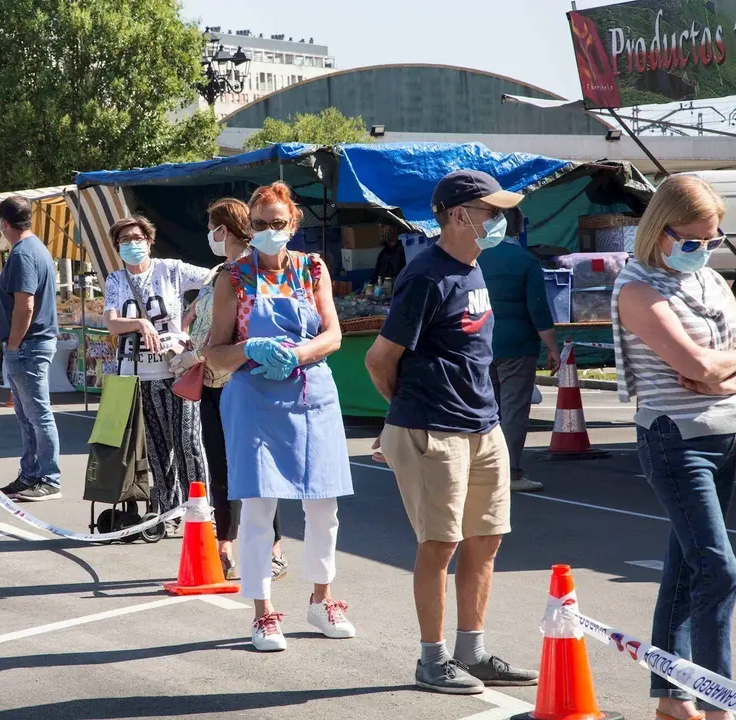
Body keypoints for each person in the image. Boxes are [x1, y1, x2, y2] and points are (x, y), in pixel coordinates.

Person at [366, 170, 538, 694]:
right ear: (461, 215)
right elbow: (380, 359)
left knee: (485, 540)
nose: (502, 221)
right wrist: (409, 412)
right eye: (493, 211)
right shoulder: (426, 276)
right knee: (439, 544)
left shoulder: (473, 268)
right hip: (433, 429)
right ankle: (431, 658)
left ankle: (472, 651)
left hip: (483, 428)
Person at [613, 175, 736, 720]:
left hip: (726, 431)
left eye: (713, 240)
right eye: (693, 241)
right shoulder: (637, 288)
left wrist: (718, 375)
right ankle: (720, 702)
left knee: (686, 569)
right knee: (719, 571)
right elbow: (696, 367)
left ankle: (670, 696)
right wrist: (709, 369)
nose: (704, 251)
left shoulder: (711, 282)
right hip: (675, 439)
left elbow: (717, 363)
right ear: (659, 232)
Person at [207, 181, 355, 652]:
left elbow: (333, 334)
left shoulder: (313, 269)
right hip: (254, 397)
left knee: (323, 505)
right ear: (249, 227)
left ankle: (322, 599)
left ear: (293, 224)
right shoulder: (232, 277)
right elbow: (213, 352)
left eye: (278, 223)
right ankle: (263, 613)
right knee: (258, 506)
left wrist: (299, 355)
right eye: (260, 224)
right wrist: (249, 347)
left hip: (313, 393)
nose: (270, 231)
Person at [175, 198, 287, 582]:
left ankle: (273, 548)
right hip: (211, 384)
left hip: (247, 382)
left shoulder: (259, 272)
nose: (211, 235)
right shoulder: (214, 276)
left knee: (259, 467)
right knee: (219, 467)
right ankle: (224, 543)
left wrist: (200, 353)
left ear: (225, 229)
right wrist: (188, 347)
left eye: (213, 227)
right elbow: (200, 324)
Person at [102, 216, 210, 518]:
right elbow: (111, 322)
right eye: (124, 240)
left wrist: (193, 311)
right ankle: (168, 508)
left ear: (150, 241)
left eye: (137, 238)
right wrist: (139, 323)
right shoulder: (116, 280)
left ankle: (200, 508)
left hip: (177, 369)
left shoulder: (171, 270)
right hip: (139, 375)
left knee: (187, 441)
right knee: (157, 446)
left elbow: (217, 278)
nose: (132, 244)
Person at [478, 206, 561, 493]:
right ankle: (510, 472)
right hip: (517, 345)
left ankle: (483, 470)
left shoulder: (475, 257)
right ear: (518, 228)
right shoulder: (525, 261)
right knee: (513, 411)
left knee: (487, 410)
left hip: (480, 343)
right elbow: (539, 310)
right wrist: (553, 348)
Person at [0, 196, 62, 502]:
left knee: (37, 414)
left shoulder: (23, 254)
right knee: (27, 415)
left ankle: (48, 477)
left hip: (28, 345)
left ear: (4, 223)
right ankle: (31, 474)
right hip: (30, 344)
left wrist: (14, 343)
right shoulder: (36, 249)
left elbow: (25, 305)